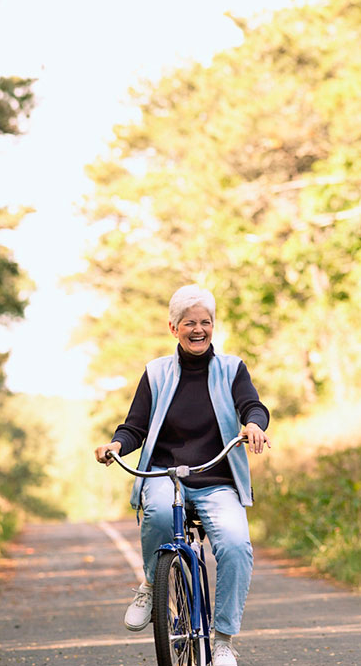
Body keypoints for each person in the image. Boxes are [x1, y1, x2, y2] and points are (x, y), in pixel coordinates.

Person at [94, 285, 271, 666]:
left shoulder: (231, 368)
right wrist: (115, 446)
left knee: (237, 545)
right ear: (173, 327)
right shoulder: (155, 373)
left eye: (205, 322)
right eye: (189, 322)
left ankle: (222, 639)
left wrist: (254, 424)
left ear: (213, 327)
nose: (198, 329)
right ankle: (151, 585)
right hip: (164, 473)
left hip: (215, 476)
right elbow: (134, 427)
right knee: (157, 513)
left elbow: (252, 406)